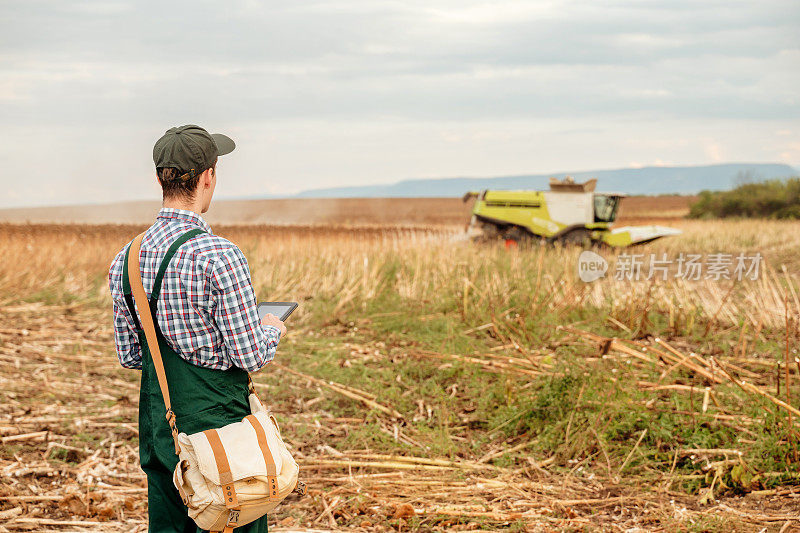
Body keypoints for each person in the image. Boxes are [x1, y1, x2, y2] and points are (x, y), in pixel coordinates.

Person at [108, 125, 285, 532]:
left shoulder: (126, 258)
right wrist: (270, 327)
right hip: (221, 431)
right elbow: (250, 355)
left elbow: (132, 355)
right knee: (233, 517)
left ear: (159, 179)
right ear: (209, 176)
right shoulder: (220, 255)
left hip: (161, 427)